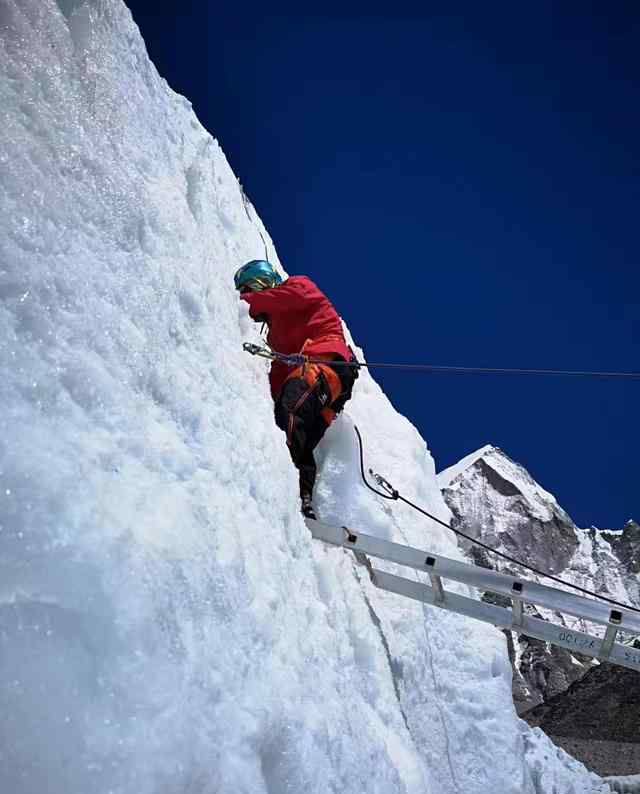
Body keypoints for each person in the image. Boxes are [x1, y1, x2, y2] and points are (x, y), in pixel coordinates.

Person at [235, 259, 358, 520]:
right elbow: (280, 373)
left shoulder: (297, 285)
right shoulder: (275, 335)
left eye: (251, 287)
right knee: (296, 434)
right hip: (323, 386)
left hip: (327, 363)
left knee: (291, 409)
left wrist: (243, 302)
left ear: (265, 282)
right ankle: (305, 502)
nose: (248, 294)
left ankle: (297, 496)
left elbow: (288, 297)